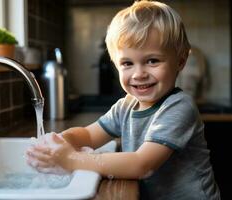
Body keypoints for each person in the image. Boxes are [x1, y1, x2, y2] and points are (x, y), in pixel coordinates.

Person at [26, 1, 221, 199]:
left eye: (152, 61)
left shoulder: (178, 107)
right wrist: (62, 141)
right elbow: (88, 135)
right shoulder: (126, 105)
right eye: (127, 63)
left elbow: (141, 164)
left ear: (180, 61)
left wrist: (70, 159)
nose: (139, 74)